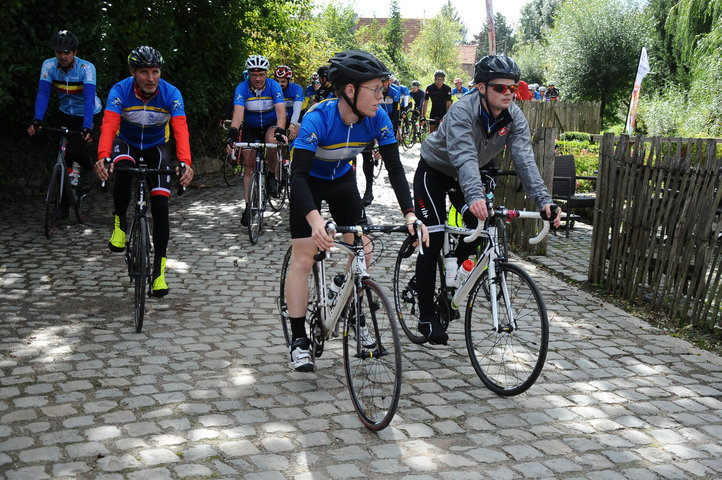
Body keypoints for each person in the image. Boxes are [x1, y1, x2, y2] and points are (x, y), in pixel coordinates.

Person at [285, 49, 428, 371]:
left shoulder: (378, 118)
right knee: (304, 258)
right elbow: (297, 176)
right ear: (350, 90)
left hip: (341, 180)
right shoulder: (317, 118)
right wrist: (315, 220)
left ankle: (351, 306)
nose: (382, 96)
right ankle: (298, 339)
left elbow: (394, 169)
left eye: (384, 89)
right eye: (376, 89)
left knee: (362, 247)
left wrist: (409, 213)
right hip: (309, 183)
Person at [412, 54, 561, 345]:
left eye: (513, 88)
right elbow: (464, 157)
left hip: (465, 175)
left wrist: (544, 201)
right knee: (433, 235)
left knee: (483, 226)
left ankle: (455, 265)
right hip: (435, 171)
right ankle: (426, 314)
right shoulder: (462, 112)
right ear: (481, 87)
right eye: (500, 88)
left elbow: (525, 161)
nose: (508, 94)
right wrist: (475, 194)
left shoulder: (514, 116)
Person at [94, 46, 194, 297]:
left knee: (160, 206)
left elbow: (180, 128)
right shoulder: (120, 91)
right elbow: (109, 124)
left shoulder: (171, 93)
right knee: (124, 169)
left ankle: (159, 272)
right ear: (133, 72)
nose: (151, 78)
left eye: (155, 71)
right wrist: (103, 157)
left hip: (156, 147)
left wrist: (185, 162)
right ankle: (120, 224)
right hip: (125, 142)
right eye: (144, 72)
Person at [28, 30, 103, 195]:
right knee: (63, 154)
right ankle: (63, 201)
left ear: (75, 52)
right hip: (65, 112)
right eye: (58, 52)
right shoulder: (49, 66)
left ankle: (89, 170)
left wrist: (86, 125)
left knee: (75, 149)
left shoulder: (86, 68)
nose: (62, 56)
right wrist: (37, 119)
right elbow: (43, 94)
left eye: (66, 52)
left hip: (87, 112)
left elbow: (89, 98)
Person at [226, 55, 286, 226]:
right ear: (249, 74)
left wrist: (280, 130)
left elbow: (281, 111)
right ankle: (247, 206)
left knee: (272, 141)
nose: (258, 78)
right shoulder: (242, 88)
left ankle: (273, 174)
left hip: (270, 124)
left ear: (266, 73)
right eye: (254, 75)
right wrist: (232, 133)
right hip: (251, 127)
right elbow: (238, 113)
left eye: (261, 74)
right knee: (249, 165)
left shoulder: (274, 86)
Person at [360, 74, 400, 206]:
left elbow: (396, 112)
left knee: (381, 154)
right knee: (366, 155)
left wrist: (394, 129)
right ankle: (365, 190)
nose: (384, 84)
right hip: (372, 119)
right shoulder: (373, 90)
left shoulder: (395, 92)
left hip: (386, 121)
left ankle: (369, 188)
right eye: (382, 82)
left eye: (386, 82)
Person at [274, 65, 304, 141]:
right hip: (281, 117)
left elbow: (297, 110)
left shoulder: (296, 89)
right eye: (277, 81)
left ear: (288, 81)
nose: (279, 84)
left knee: (294, 135)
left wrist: (292, 125)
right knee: (279, 138)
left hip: (296, 117)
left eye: (283, 81)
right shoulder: (272, 88)